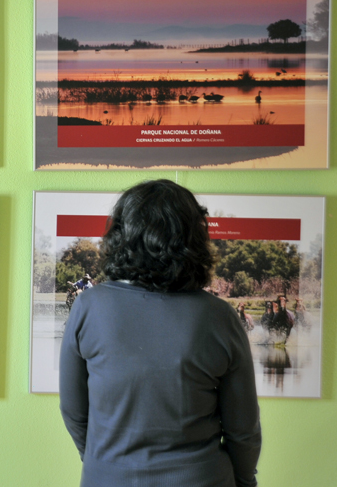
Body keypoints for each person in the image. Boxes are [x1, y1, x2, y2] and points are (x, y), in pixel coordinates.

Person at [60, 179, 261, 487]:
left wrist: (106, 463)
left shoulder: (89, 306)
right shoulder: (220, 317)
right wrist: (245, 482)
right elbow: (243, 430)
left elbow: (74, 412)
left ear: (120, 235)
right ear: (195, 238)